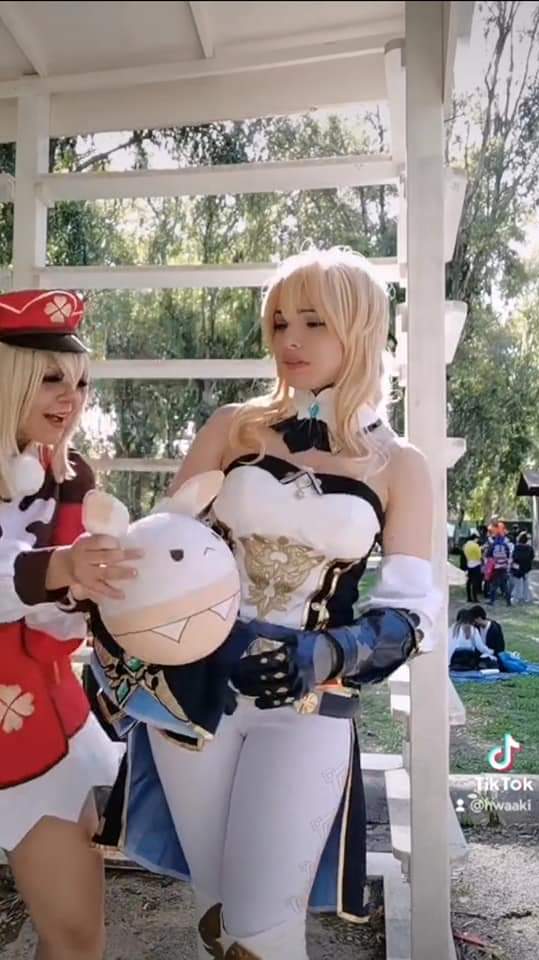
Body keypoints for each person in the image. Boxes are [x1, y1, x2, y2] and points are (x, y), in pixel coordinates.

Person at [93, 247, 442, 959]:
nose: (289, 340)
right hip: (196, 690)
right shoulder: (233, 426)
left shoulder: (400, 465)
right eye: (280, 322)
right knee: (220, 912)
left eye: (313, 322)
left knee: (260, 932)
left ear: (359, 328)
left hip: (306, 706)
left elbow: (414, 610)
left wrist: (329, 652)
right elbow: (163, 547)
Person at [0, 290, 140, 960]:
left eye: (81, 382)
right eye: (52, 377)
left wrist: (95, 590)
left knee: (77, 937)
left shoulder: (72, 474)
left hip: (36, 722)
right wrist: (59, 568)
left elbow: (60, 619)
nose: (72, 398)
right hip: (26, 718)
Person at [510, 532, 535, 604]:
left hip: (517, 567)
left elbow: (513, 557)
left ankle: (516, 598)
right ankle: (526, 598)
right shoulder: (529, 548)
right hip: (526, 567)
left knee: (517, 584)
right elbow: (532, 557)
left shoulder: (516, 547)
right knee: (526, 583)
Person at [463, 533, 482, 603]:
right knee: (475, 582)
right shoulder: (475, 545)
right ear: (475, 538)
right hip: (476, 564)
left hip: (469, 563)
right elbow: (479, 556)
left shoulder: (465, 545)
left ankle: (469, 597)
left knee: (469, 581)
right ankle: (475, 598)